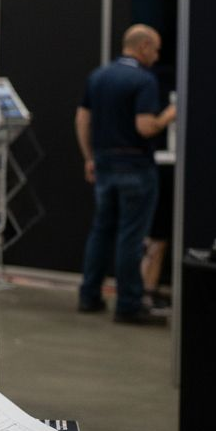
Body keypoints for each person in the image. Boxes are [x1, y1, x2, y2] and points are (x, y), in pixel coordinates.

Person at [75, 25, 176, 325]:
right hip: (135, 167)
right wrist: (171, 114)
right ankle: (129, 304)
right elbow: (146, 126)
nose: (157, 57)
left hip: (104, 164)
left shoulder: (99, 76)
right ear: (143, 46)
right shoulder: (144, 80)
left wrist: (89, 157)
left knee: (101, 231)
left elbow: (82, 119)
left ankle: (89, 295)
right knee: (131, 236)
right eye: (155, 49)